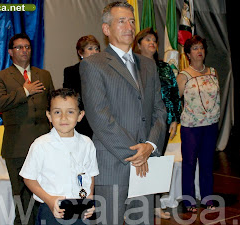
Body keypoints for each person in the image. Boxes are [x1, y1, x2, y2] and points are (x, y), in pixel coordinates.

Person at [79, 2, 167, 225]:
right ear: (106, 29)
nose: (129, 26)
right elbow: (99, 117)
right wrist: (136, 154)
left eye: (132, 21)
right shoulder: (93, 64)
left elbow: (159, 109)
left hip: (147, 160)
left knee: (143, 221)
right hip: (113, 161)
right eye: (121, 21)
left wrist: (150, 146)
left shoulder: (148, 64)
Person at [0, 33, 55, 225]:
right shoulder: (0, 77)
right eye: (19, 47)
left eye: (27, 47)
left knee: (45, 192)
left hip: (44, 145)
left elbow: (52, 104)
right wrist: (25, 90)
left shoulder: (44, 74)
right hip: (17, 146)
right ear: (10, 52)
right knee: (22, 196)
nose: (24, 51)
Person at [19, 88, 99, 225]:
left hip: (80, 209)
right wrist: (49, 199)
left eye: (70, 112)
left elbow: (90, 174)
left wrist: (90, 197)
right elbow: (28, 178)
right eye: (57, 112)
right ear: (49, 116)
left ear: (80, 115)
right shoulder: (40, 145)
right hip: (52, 210)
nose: (63, 117)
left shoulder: (87, 143)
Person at [133, 27, 181, 219]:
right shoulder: (132, 66)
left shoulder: (165, 68)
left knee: (157, 165)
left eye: (154, 40)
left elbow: (174, 94)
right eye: (147, 40)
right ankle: (134, 207)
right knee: (137, 164)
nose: (152, 43)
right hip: (137, 122)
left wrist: (174, 118)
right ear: (138, 45)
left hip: (162, 123)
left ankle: (155, 205)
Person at [176, 35, 220, 212]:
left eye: (201, 48)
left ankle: (208, 198)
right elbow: (174, 100)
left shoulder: (213, 72)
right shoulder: (183, 75)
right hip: (191, 127)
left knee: (208, 162)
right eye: (194, 48)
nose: (199, 51)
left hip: (211, 124)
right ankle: (189, 201)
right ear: (187, 54)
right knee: (189, 163)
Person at [63, 35, 100, 138]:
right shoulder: (71, 72)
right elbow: (70, 99)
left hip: (101, 121)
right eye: (90, 48)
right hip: (82, 122)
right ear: (80, 52)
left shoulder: (105, 71)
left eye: (97, 49)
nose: (94, 52)